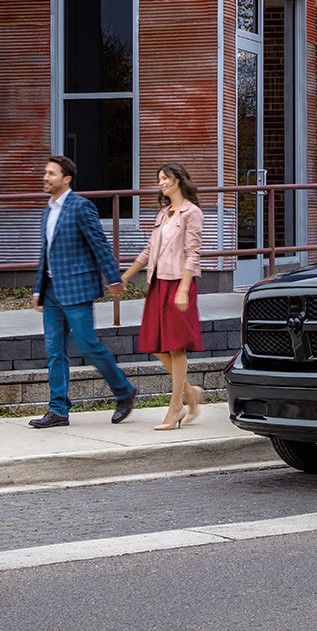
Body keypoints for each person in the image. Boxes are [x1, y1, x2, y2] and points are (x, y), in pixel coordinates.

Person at [30, 155, 137, 428]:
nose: (45, 177)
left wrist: (114, 278)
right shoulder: (48, 210)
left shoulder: (81, 207)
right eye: (45, 172)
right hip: (52, 291)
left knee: (87, 344)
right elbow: (46, 253)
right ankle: (58, 410)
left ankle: (124, 391)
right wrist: (38, 289)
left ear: (66, 179)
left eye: (51, 173)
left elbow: (99, 244)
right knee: (54, 351)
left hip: (77, 289)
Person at [118, 163, 205, 431]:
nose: (161, 183)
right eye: (159, 180)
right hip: (158, 284)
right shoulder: (164, 214)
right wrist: (125, 275)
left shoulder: (193, 213)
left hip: (180, 283)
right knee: (154, 342)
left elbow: (193, 253)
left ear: (177, 180)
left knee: (176, 346)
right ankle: (191, 392)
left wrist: (183, 288)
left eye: (165, 179)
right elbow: (148, 251)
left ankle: (176, 405)